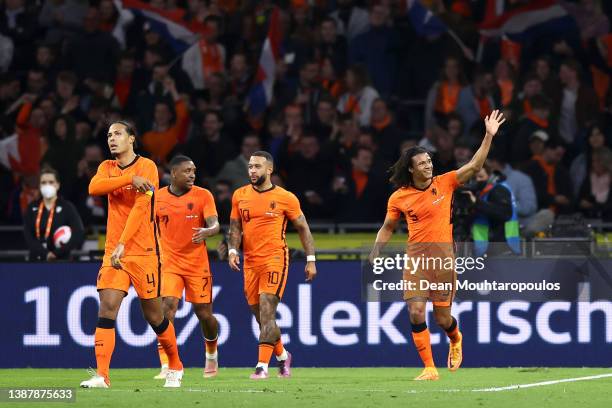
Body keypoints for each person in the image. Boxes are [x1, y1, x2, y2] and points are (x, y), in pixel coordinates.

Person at [369, 110, 506, 380]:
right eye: (422, 163)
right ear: (411, 168)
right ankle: (429, 368)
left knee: (443, 320)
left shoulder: (446, 183)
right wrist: (376, 251)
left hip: (443, 261)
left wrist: (488, 136)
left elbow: (475, 166)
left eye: (429, 161)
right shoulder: (399, 197)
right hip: (416, 262)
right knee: (416, 310)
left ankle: (455, 339)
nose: (428, 166)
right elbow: (387, 227)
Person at [80, 121, 183, 388]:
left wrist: (123, 243)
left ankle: (175, 364)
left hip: (144, 251)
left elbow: (140, 209)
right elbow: (94, 188)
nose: (112, 139)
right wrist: (128, 179)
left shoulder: (147, 167)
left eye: (117, 134)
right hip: (114, 253)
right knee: (107, 307)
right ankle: (102, 375)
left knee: (154, 315)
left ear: (132, 139)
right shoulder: (107, 168)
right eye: (108, 135)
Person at [228, 150, 317, 379]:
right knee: (261, 317)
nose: (252, 171)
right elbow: (235, 226)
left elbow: (303, 228)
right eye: (250, 166)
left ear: (269, 170)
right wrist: (231, 250)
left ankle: (261, 367)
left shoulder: (286, 197)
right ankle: (282, 356)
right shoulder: (239, 195)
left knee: (267, 311)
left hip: (275, 259)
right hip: (250, 262)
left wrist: (310, 260)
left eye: (257, 166)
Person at [154, 155, 220, 379]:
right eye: (187, 171)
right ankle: (167, 364)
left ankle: (211, 353)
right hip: (169, 263)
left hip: (196, 264)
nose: (192, 174)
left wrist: (208, 231)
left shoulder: (203, 195)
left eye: (194, 171)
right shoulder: (158, 197)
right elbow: (147, 226)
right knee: (167, 308)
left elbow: (215, 224)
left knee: (204, 315)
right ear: (173, 173)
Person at [23, 167, 84, 261]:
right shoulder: (32, 207)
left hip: (61, 260)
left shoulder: (67, 207)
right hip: (36, 261)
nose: (47, 185)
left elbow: (78, 233)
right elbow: (28, 235)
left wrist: (56, 253)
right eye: (44, 182)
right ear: (39, 186)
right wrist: (45, 254)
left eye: (51, 182)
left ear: (58, 185)